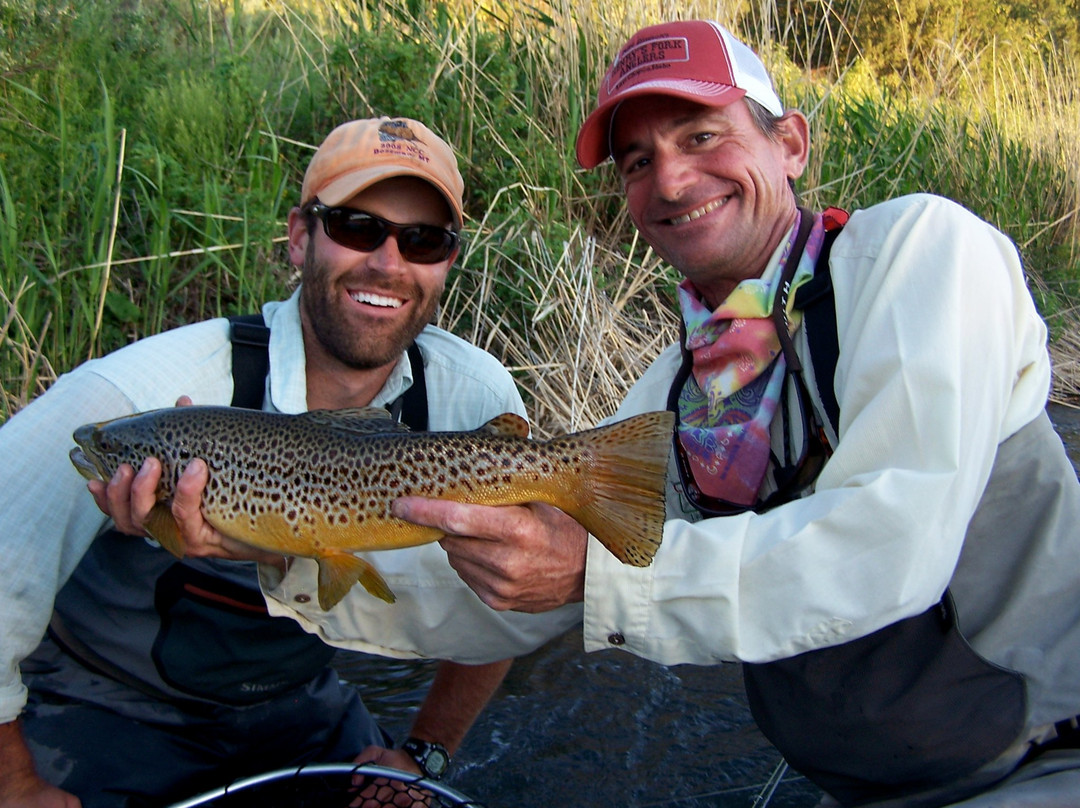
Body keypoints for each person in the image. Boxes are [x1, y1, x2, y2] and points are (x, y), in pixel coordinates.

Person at [384, 20, 1080, 808]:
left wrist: (593, 572)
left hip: (1045, 765)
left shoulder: (920, 255)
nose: (672, 182)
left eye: (702, 135)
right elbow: (521, 597)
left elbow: (889, 548)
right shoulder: (679, 392)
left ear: (790, 143)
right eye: (638, 162)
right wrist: (280, 554)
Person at [0, 116, 578, 808]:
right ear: (301, 236)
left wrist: (423, 751)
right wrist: (14, 782)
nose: (389, 263)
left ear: (449, 260)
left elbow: (499, 607)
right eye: (358, 227)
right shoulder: (134, 392)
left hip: (298, 704)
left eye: (424, 239)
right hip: (105, 704)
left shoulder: (471, 399)